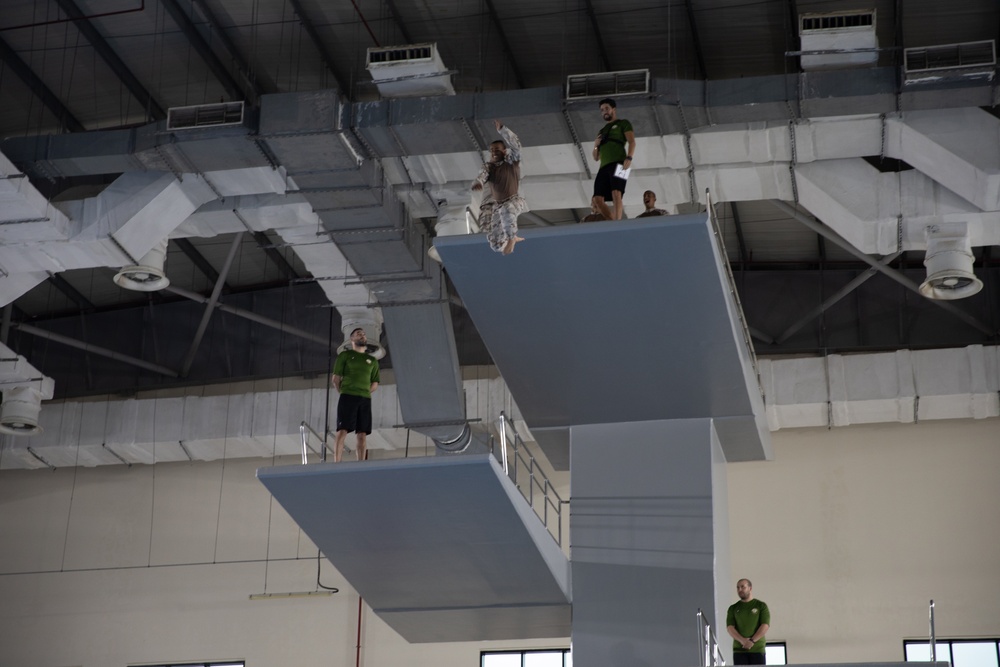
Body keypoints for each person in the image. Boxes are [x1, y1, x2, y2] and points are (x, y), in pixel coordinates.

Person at [472, 119, 527, 255]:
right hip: (498, 205)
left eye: (497, 150)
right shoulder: (489, 166)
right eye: (491, 150)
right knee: (496, 246)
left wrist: (502, 130)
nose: (494, 153)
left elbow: (517, 146)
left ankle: (512, 238)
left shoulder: (512, 162)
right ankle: (509, 238)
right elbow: (482, 174)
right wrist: (479, 182)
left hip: (515, 201)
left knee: (506, 209)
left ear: (504, 151)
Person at [332, 327, 380, 462]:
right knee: (342, 430)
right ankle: (337, 462)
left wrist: (364, 392)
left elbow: (375, 383)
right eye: (359, 334)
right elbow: (336, 379)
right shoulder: (345, 356)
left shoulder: (372, 361)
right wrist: (344, 392)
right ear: (352, 339)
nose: (362, 336)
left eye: (364, 334)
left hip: (365, 399)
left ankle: (361, 463)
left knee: (362, 433)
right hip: (347, 396)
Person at [591, 98, 635, 221]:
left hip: (621, 163)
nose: (604, 112)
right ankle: (612, 221)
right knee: (597, 199)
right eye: (602, 110)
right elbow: (596, 157)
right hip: (603, 167)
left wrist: (629, 157)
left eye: (606, 108)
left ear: (613, 109)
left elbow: (632, 142)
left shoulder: (623, 123)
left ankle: (617, 222)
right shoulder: (601, 131)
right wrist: (596, 145)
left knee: (616, 192)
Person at [726, 578, 771, 665]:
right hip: (739, 650)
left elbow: (765, 625)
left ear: (750, 588)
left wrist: (752, 641)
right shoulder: (733, 608)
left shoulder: (761, 606)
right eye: (738, 587)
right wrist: (743, 641)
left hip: (757, 649)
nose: (740, 589)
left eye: (743, 587)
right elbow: (730, 628)